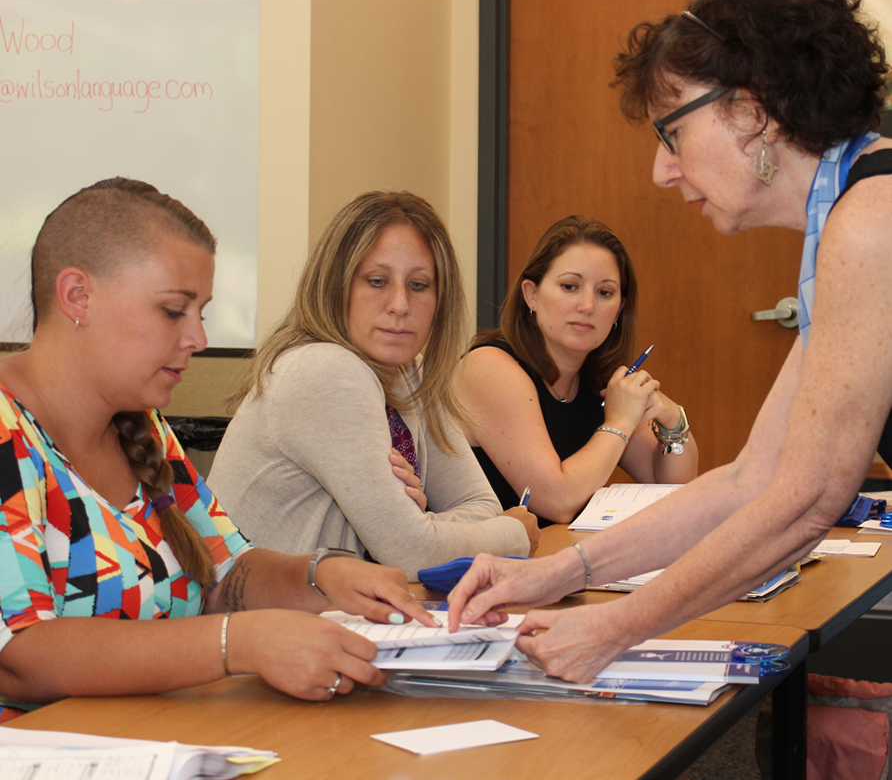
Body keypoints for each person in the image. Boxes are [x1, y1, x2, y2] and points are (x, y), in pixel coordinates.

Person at [446, 0, 892, 683]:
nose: (662, 170)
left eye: (671, 132)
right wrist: (557, 577)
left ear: (752, 112)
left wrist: (617, 627)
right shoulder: (850, 214)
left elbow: (803, 504)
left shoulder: (872, 220)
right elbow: (754, 480)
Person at [0, 177, 438, 722]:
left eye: (201, 313)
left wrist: (322, 575)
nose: (198, 339)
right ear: (77, 297)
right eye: (173, 311)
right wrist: (236, 644)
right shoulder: (7, 434)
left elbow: (226, 573)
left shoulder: (141, 426)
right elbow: (20, 654)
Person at [209, 191, 538, 581]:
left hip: (335, 616)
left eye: (419, 285)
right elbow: (413, 553)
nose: (400, 304)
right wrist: (515, 532)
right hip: (259, 628)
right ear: (336, 286)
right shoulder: (324, 370)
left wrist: (426, 525)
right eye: (377, 281)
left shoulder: (408, 370)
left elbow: (478, 504)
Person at [456, 215, 698, 525]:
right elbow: (555, 501)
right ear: (531, 294)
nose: (587, 305)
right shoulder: (489, 367)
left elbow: (673, 488)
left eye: (604, 293)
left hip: (552, 558)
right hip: (472, 564)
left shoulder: (597, 380)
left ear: (618, 311)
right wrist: (621, 421)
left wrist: (672, 418)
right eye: (570, 286)